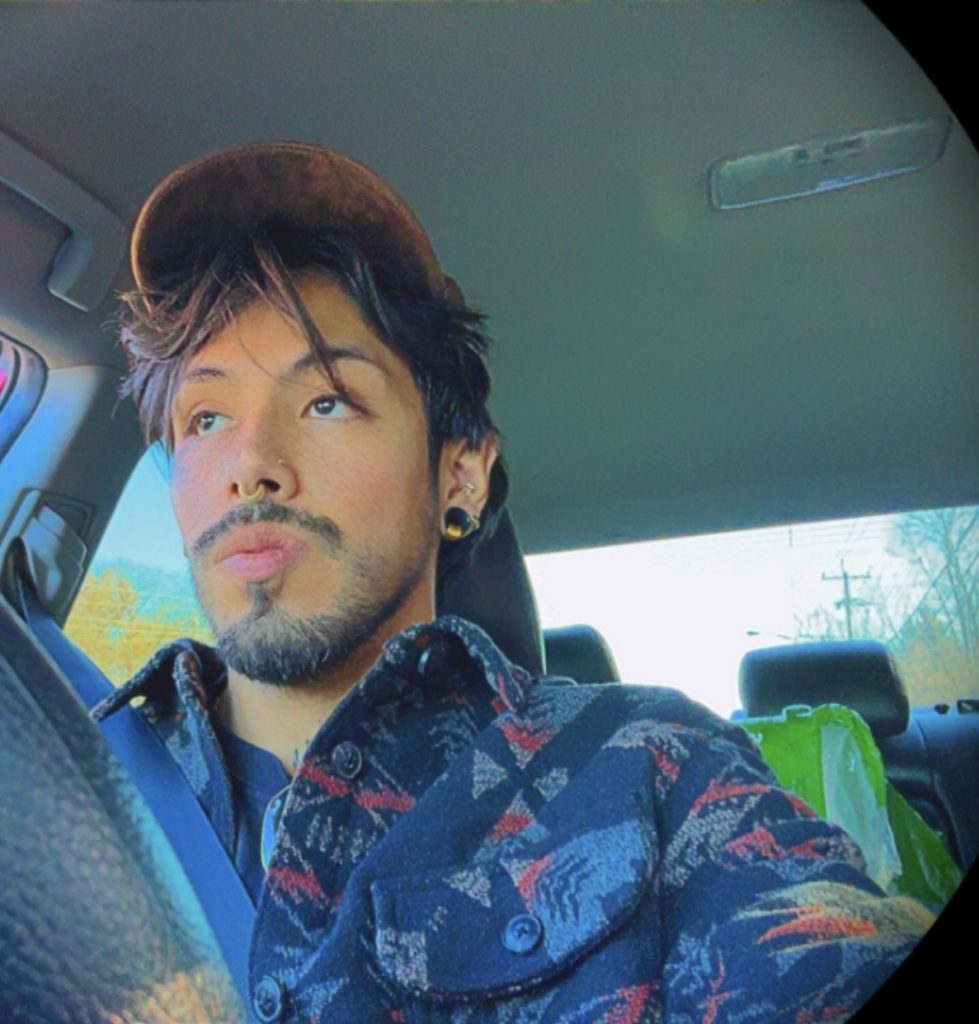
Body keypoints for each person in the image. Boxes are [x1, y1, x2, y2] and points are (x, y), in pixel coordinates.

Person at [99, 140, 932, 1024]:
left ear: (459, 476)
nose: (250, 465)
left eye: (326, 401)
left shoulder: (653, 767)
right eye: (206, 418)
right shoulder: (59, 782)